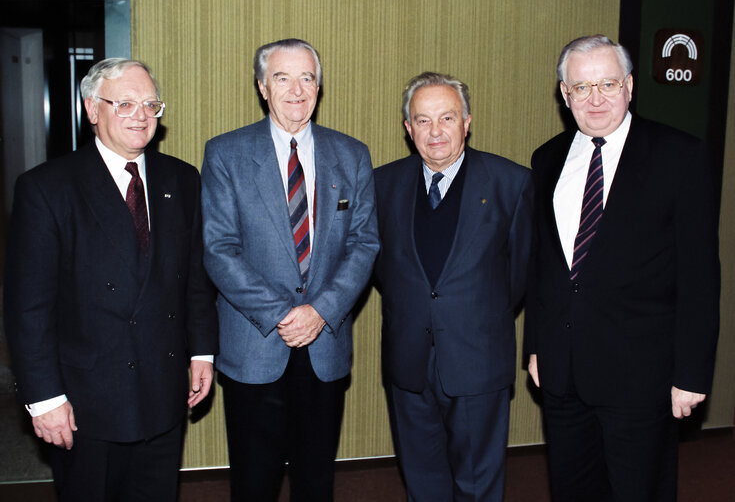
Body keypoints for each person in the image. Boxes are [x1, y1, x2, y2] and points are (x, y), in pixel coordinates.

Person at [3, 58, 218, 501]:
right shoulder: (48, 188)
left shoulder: (182, 179)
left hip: (162, 389)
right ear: (91, 109)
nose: (141, 115)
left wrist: (201, 351)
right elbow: (28, 307)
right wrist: (45, 399)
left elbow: (194, 278)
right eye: (124, 103)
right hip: (86, 400)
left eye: (150, 104)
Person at [524, 35, 720, 502]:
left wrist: (691, 375)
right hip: (563, 373)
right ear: (563, 93)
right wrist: (536, 346)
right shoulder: (547, 159)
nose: (595, 99)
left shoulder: (680, 155)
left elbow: (699, 277)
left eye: (607, 84)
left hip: (642, 378)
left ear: (629, 86)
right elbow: (543, 268)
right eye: (581, 87)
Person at [201, 38, 379, 501]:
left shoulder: (352, 154)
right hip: (256, 343)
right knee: (253, 482)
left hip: (325, 346)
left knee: (316, 480)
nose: (297, 90)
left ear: (319, 87)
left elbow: (364, 243)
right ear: (263, 87)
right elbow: (219, 249)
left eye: (307, 78)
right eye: (283, 77)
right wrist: (285, 313)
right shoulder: (226, 154)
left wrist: (321, 310)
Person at [373, 71, 533, 501]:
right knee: (421, 481)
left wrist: (468, 313)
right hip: (408, 361)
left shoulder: (511, 183)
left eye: (447, 118)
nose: (435, 131)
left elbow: (518, 276)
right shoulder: (381, 185)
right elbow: (383, 268)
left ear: (467, 122)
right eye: (422, 121)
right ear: (408, 129)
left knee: (477, 485)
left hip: (477, 359)